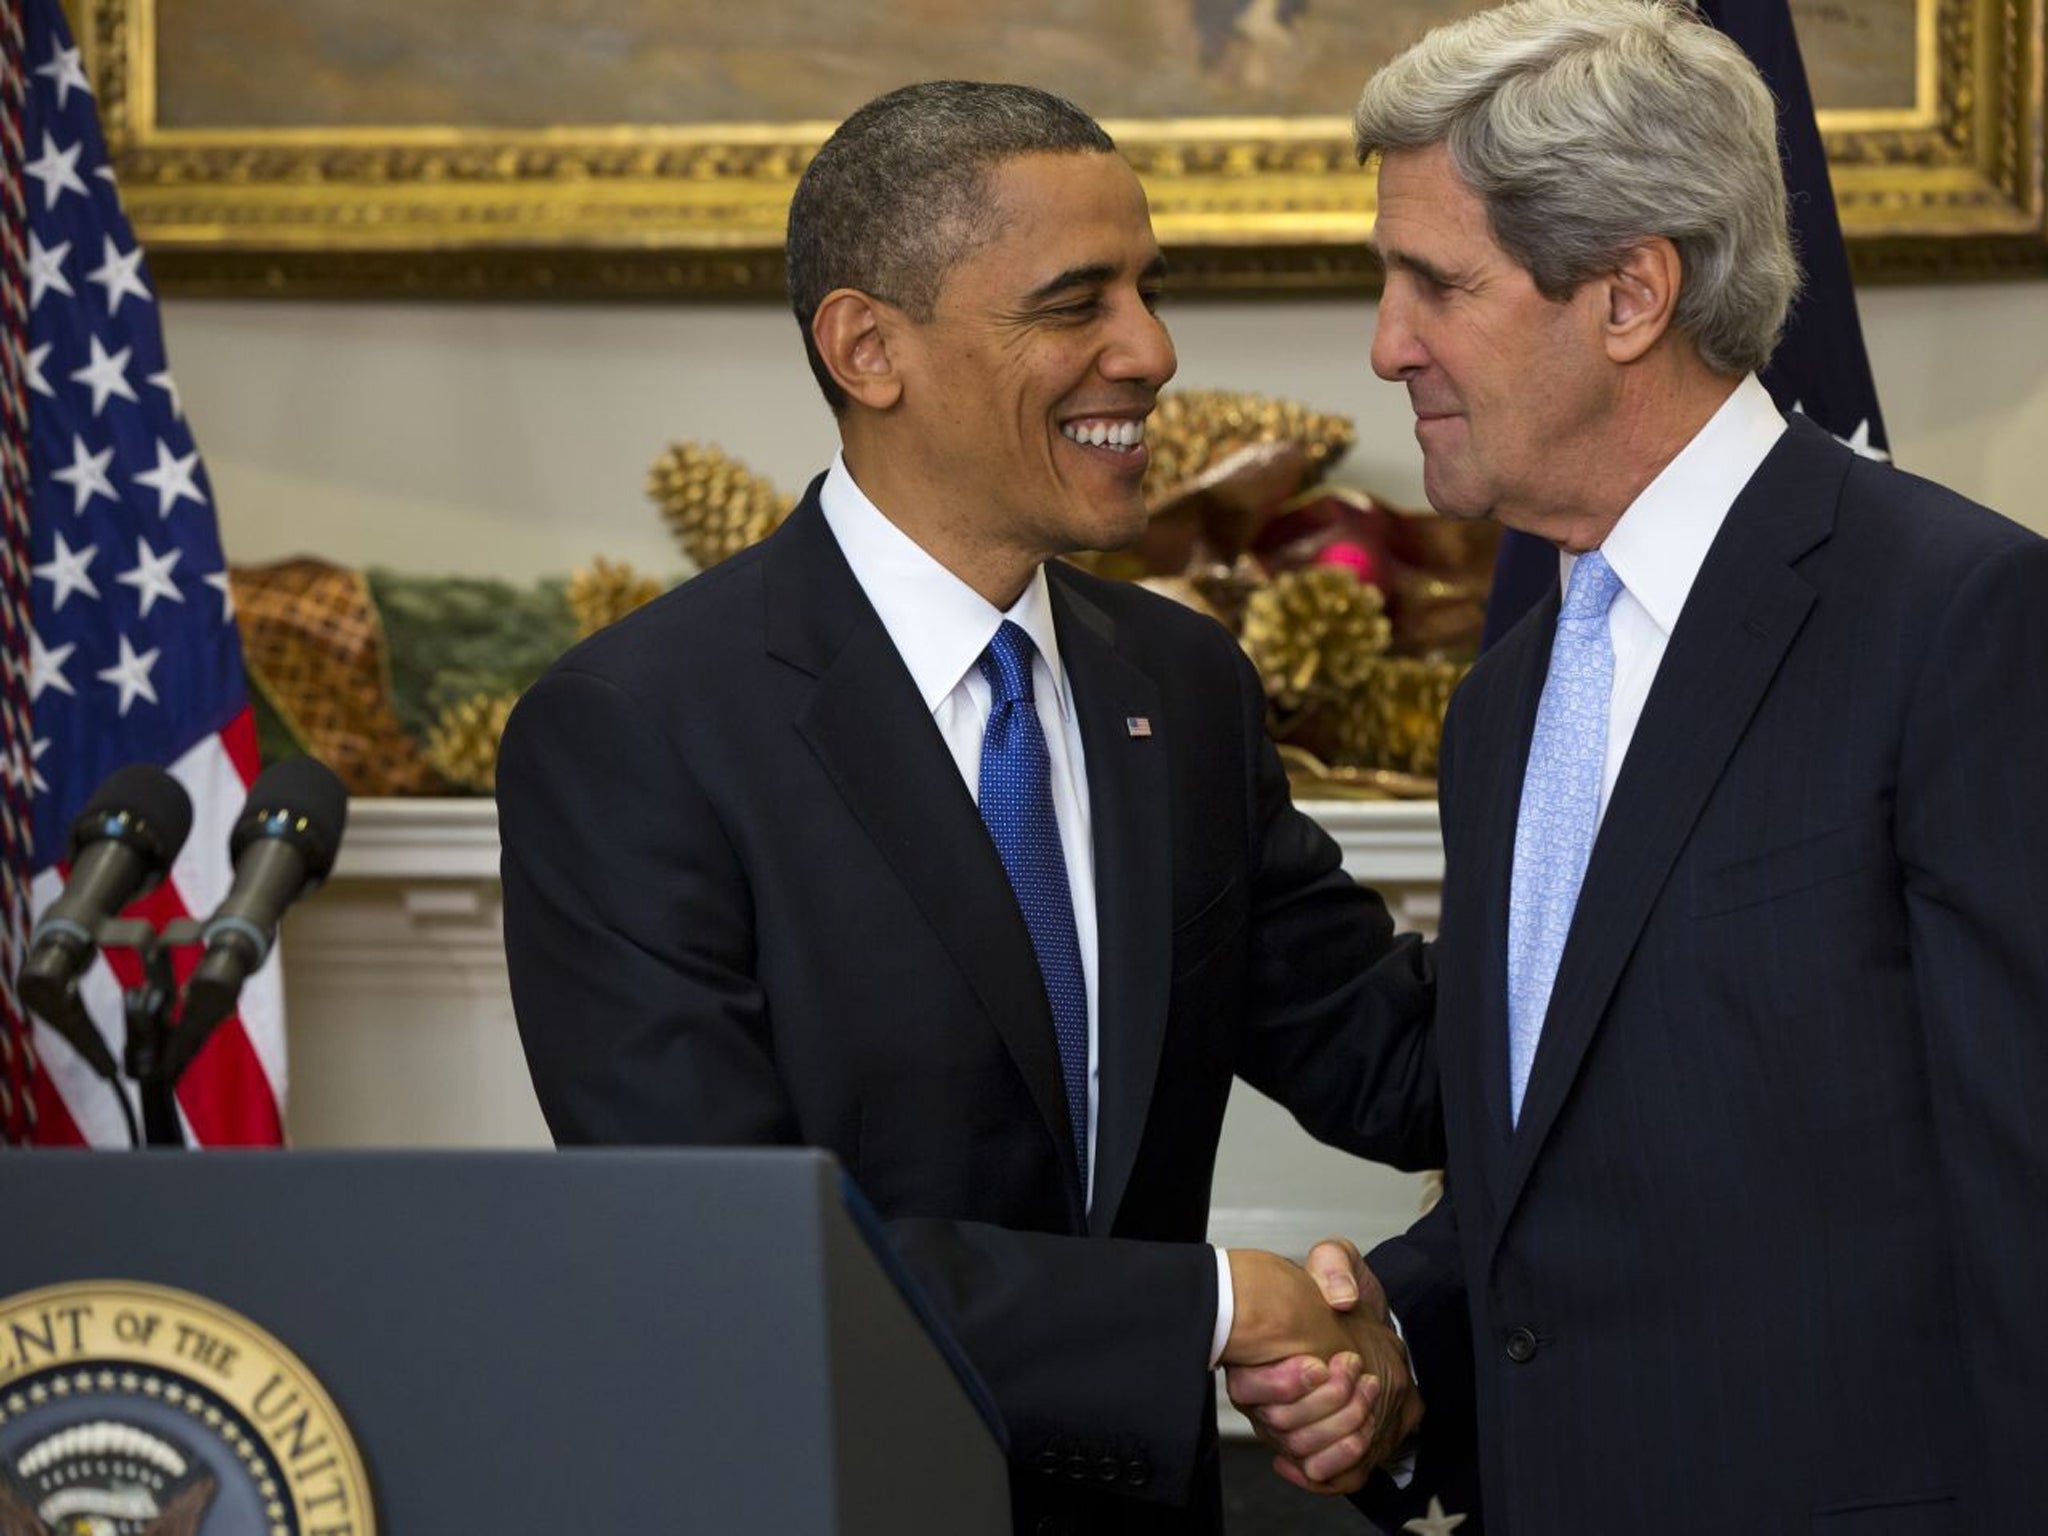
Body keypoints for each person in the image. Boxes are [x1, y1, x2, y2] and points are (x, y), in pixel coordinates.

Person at [497, 81, 1441, 1535]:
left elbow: (1395, 1060)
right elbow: (722, 1256)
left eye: (1148, 291)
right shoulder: (639, 727)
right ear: (869, 347)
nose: (1151, 351)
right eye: (1078, 303)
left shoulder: (1180, 686)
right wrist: (1208, 1306)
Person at [1228, 2, 2048, 1531]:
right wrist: (1396, 1338)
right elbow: (1583, 1160)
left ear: (1630, 294)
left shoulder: (1957, 622)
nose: (1387, 342)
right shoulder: (1514, 694)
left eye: (1436, 284)